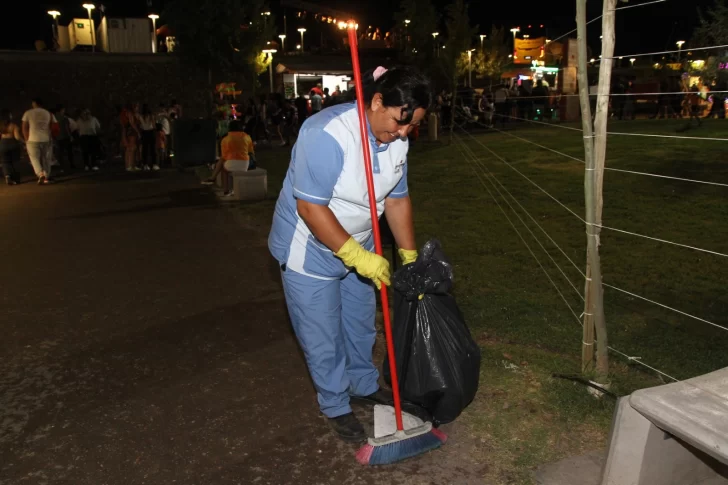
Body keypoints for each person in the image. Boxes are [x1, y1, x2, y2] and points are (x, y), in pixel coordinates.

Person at [268, 66, 432, 442]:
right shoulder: (326, 135)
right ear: (376, 101)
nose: (404, 133)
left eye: (412, 126)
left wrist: (408, 256)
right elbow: (312, 209)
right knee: (321, 331)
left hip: (363, 241)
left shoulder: (397, 137)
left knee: (360, 323)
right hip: (310, 248)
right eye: (398, 122)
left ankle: (362, 383)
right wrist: (356, 257)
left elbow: (396, 197)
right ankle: (335, 401)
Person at [201, 120, 255, 196]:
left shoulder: (225, 139)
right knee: (223, 163)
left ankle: (225, 190)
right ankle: (214, 179)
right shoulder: (247, 137)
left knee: (224, 168)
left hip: (231, 164)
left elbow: (224, 156)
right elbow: (251, 151)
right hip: (245, 164)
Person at [22, 98, 57, 184]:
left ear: (34, 104)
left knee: (34, 158)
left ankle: (40, 174)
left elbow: (24, 127)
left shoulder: (28, 113)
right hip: (46, 139)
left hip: (32, 139)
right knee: (46, 158)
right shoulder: (49, 113)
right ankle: (46, 177)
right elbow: (55, 126)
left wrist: (26, 139)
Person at [0, 109, 23, 185]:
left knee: (5, 162)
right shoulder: (13, 126)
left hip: (3, 144)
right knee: (15, 162)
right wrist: (24, 141)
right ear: (9, 116)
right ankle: (16, 179)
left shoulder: (0, 126)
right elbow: (17, 137)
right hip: (13, 144)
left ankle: (7, 176)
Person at [55, 105, 77, 171]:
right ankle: (72, 164)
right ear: (61, 110)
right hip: (65, 137)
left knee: (60, 153)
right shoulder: (64, 118)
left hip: (58, 137)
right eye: (63, 110)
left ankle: (62, 167)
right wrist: (70, 136)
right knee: (69, 151)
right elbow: (67, 128)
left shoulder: (54, 118)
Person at [121, 102, 140, 171]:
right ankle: (129, 165)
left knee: (129, 149)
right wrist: (138, 132)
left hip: (127, 131)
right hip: (131, 132)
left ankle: (130, 165)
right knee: (131, 148)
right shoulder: (129, 113)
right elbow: (132, 123)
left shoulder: (124, 113)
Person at [138, 104, 158, 170]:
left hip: (144, 132)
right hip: (150, 132)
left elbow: (140, 125)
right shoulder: (151, 116)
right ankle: (154, 164)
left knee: (145, 149)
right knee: (152, 149)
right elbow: (154, 125)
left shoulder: (140, 116)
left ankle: (145, 164)